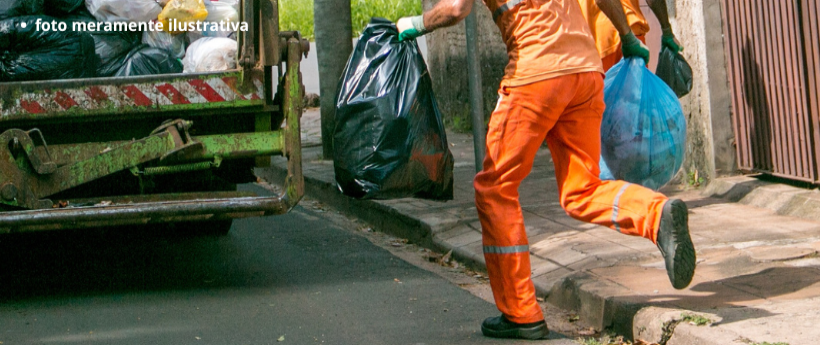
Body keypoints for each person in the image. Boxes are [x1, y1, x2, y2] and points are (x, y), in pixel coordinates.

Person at [397, 0, 695, 340]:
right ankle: (657, 215)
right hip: (586, 71)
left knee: (494, 188)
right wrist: (626, 35)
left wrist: (416, 23)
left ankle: (521, 313)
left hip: (535, 75)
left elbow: (456, 9)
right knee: (581, 189)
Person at [577, 0, 683, 71]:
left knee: (604, 103)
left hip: (594, 41)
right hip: (630, 32)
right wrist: (667, 30)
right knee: (635, 102)